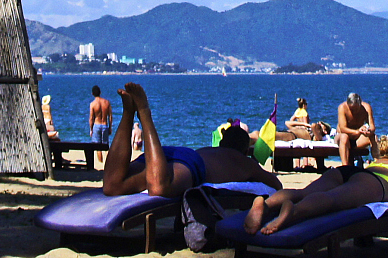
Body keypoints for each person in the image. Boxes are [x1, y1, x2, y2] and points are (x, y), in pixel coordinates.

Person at [244, 128, 388, 235]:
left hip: (351, 171)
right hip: (374, 183)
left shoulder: (378, 159)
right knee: (331, 200)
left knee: (305, 191)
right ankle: (294, 213)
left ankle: (266, 202)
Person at [99, 82, 279, 198]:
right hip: (190, 163)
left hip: (169, 155)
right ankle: (144, 112)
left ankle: (128, 113)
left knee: (112, 186)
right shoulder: (242, 161)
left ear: (221, 142)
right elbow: (276, 185)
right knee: (160, 188)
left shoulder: (211, 150)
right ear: (245, 150)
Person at [336, 91, 376, 167]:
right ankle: (345, 167)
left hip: (357, 139)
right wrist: (357, 131)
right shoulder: (342, 108)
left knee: (373, 137)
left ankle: (377, 161)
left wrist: (368, 131)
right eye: (351, 109)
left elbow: (372, 127)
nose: (354, 112)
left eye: (356, 109)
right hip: (343, 138)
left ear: (360, 104)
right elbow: (343, 128)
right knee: (344, 137)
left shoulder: (366, 108)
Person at [88, 84, 113, 161]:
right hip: (105, 125)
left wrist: (91, 129)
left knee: (98, 147)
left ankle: (101, 162)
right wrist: (110, 127)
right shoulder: (107, 102)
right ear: (100, 92)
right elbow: (110, 116)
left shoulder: (92, 104)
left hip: (97, 125)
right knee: (106, 146)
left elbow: (91, 118)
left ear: (92, 94)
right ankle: (107, 163)